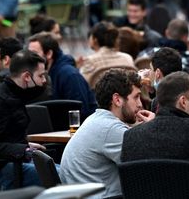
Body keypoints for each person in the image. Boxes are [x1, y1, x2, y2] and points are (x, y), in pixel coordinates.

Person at [60, 69, 154, 198]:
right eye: (136, 97)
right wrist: (154, 127)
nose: (140, 104)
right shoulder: (111, 129)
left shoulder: (97, 119)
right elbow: (151, 163)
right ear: (117, 100)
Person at [0, 50, 48, 190]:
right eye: (41, 76)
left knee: (66, 171)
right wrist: (22, 148)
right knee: (61, 176)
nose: (44, 81)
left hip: (16, 163)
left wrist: (25, 146)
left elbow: (6, 138)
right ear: (27, 76)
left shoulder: (15, 94)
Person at [28, 32, 97, 118]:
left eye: (34, 53)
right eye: (28, 53)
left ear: (49, 54)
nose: (29, 58)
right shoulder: (42, 74)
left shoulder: (69, 75)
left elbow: (80, 112)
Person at [79, 22, 136, 87]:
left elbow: (82, 86)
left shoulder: (90, 61)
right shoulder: (128, 58)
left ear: (95, 40)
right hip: (124, 96)